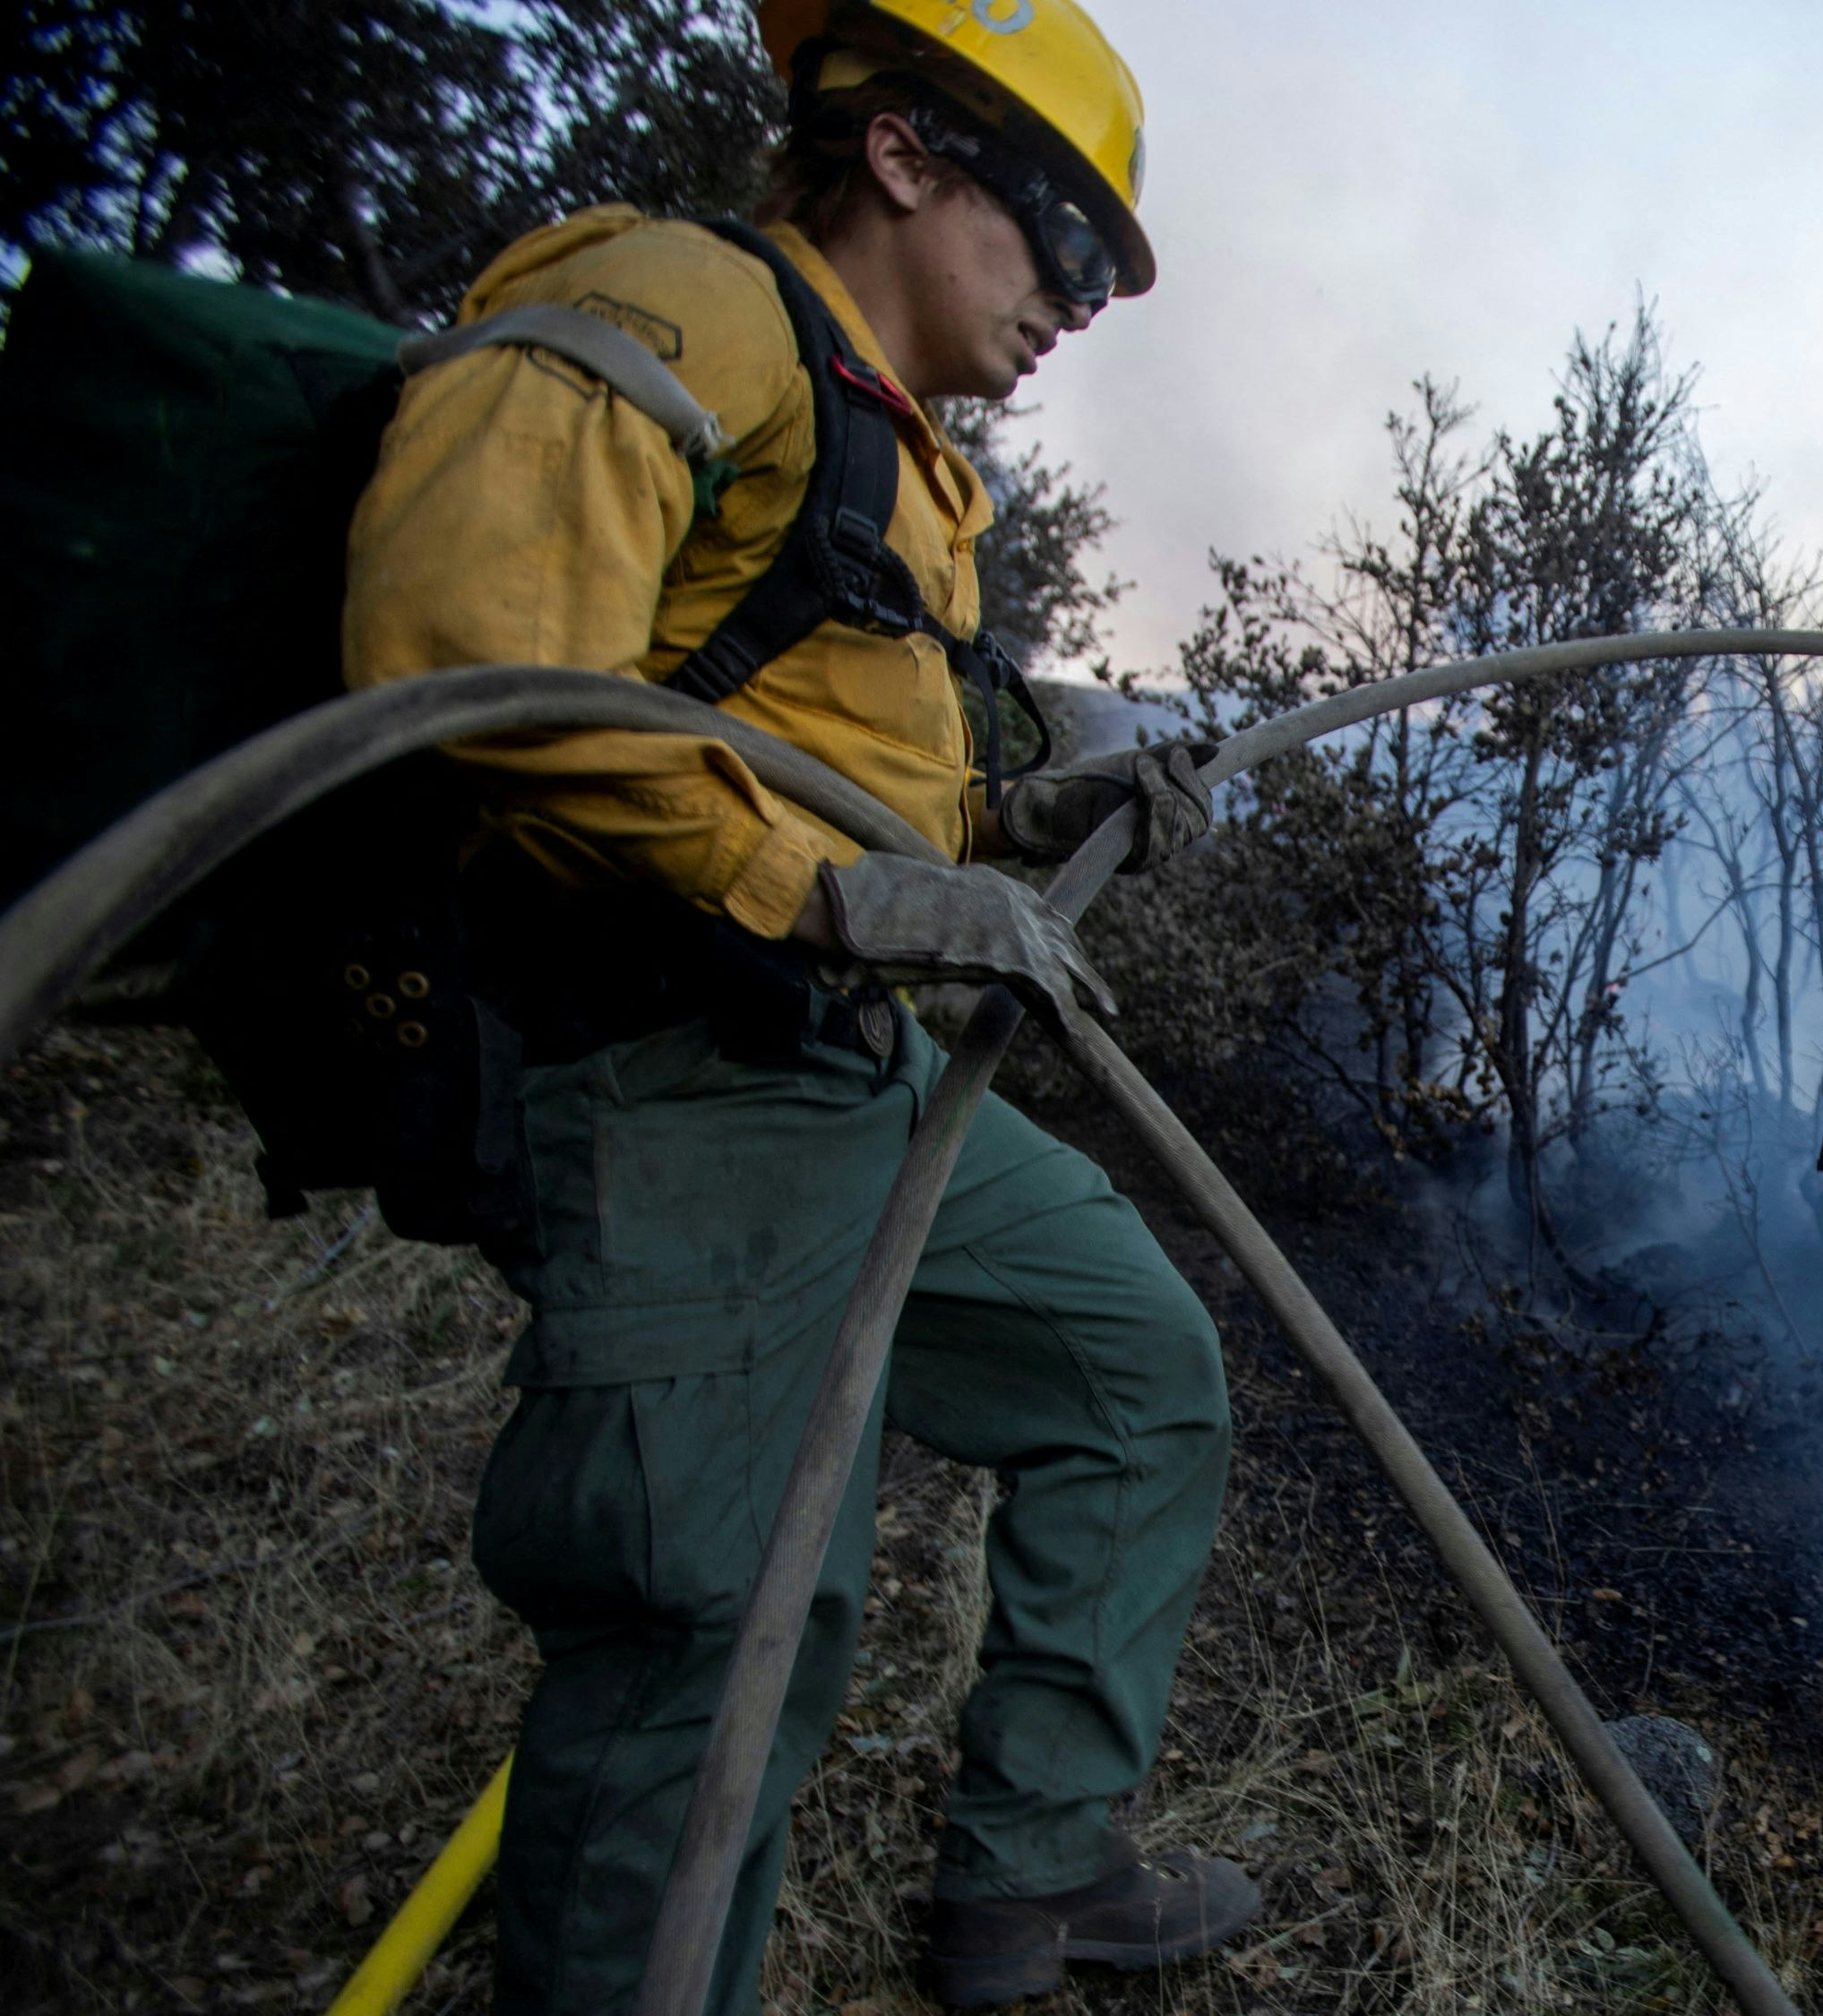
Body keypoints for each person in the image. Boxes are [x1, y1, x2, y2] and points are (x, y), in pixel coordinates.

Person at [338, 2, 1251, 2005]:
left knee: (1137, 1370)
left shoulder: (898, 461)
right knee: (722, 1642)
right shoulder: (679, 302)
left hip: (852, 1073)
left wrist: (1026, 805)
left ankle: (1026, 1878)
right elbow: (463, 664)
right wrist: (836, 895)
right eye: (1068, 241)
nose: (1081, 303)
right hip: (674, 1083)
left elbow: (818, 752)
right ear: (909, 157)